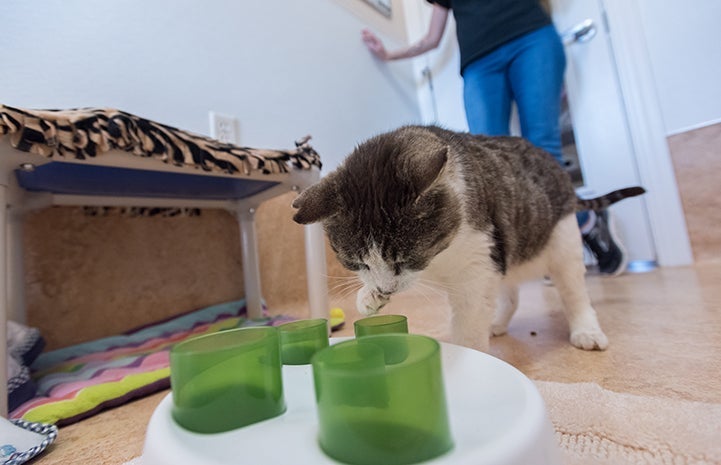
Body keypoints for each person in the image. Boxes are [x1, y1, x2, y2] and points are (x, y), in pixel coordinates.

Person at [361, 0, 628, 276]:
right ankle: (587, 219)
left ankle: (569, 244)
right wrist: (389, 55)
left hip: (531, 39)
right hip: (480, 62)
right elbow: (431, 38)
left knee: (543, 154)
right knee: (492, 166)